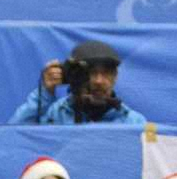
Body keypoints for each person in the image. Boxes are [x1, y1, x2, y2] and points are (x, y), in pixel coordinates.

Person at [8, 40, 146, 125]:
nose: (98, 81)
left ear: (115, 77)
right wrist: (45, 93)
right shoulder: (56, 114)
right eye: (91, 73)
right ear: (74, 75)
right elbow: (16, 134)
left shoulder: (133, 122)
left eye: (105, 73)